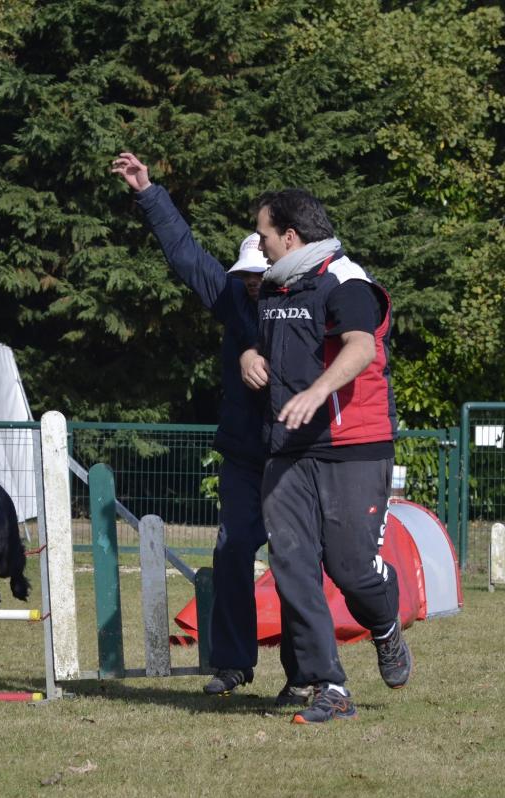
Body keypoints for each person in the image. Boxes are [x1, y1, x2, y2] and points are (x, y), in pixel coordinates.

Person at [112, 152, 308, 704]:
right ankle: (232, 665)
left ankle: (304, 674)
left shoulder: (302, 302)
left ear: (275, 272)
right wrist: (148, 192)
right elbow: (184, 253)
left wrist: (259, 360)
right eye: (242, 279)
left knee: (295, 562)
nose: (249, 287)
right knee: (230, 553)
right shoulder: (230, 301)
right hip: (245, 457)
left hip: (294, 456)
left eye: (257, 279)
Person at [242, 187, 412, 724]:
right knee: (291, 563)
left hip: (353, 446)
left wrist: (318, 392)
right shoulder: (273, 289)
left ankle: (385, 628)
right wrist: (250, 355)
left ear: (290, 236)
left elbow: (361, 347)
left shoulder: (348, 281)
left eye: (265, 235)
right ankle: (329, 686)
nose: (259, 245)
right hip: (288, 448)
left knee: (350, 568)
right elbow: (263, 344)